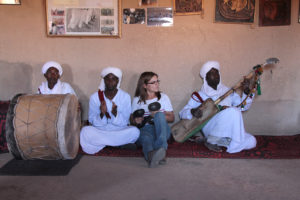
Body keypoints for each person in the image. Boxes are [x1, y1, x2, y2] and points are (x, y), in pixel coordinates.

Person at [179, 61, 257, 153]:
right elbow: (182, 113)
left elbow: (242, 107)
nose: (215, 75)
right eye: (211, 73)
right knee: (233, 111)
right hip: (211, 128)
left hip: (229, 130)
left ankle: (221, 141)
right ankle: (213, 140)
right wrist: (192, 111)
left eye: (216, 72)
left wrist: (246, 92)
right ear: (205, 78)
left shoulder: (228, 91)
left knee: (252, 141)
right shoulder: (199, 95)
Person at [80, 67, 140, 154]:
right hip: (100, 130)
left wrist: (115, 114)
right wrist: (101, 114)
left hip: (119, 130)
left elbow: (125, 122)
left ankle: (104, 143)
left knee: (135, 131)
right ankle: (118, 144)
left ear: (118, 81)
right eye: (107, 79)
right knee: (85, 131)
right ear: (104, 80)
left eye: (113, 79)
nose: (110, 82)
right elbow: (92, 121)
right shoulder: (95, 97)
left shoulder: (125, 96)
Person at [131, 72, 174, 167]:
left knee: (159, 115)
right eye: (153, 82)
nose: (157, 84)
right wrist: (136, 121)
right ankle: (151, 156)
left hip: (162, 129)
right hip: (146, 129)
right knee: (146, 139)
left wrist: (158, 115)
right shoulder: (137, 100)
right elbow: (132, 120)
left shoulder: (163, 97)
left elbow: (171, 118)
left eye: (157, 81)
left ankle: (161, 148)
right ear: (145, 85)